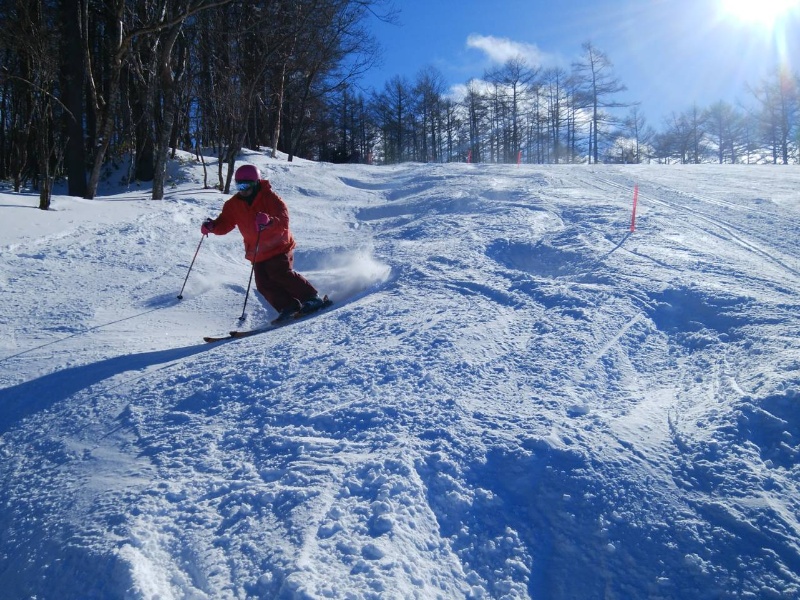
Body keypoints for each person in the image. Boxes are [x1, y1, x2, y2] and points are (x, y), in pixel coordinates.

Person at [201, 164, 325, 322]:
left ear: (256, 183)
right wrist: (212, 227)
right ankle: (288, 306)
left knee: (279, 273)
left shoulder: (270, 198)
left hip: (279, 246)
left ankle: (311, 298)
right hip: (257, 252)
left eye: (246, 185)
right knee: (263, 284)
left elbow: (283, 221)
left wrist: (269, 221)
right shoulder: (233, 205)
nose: (242, 189)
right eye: (239, 185)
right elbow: (224, 224)